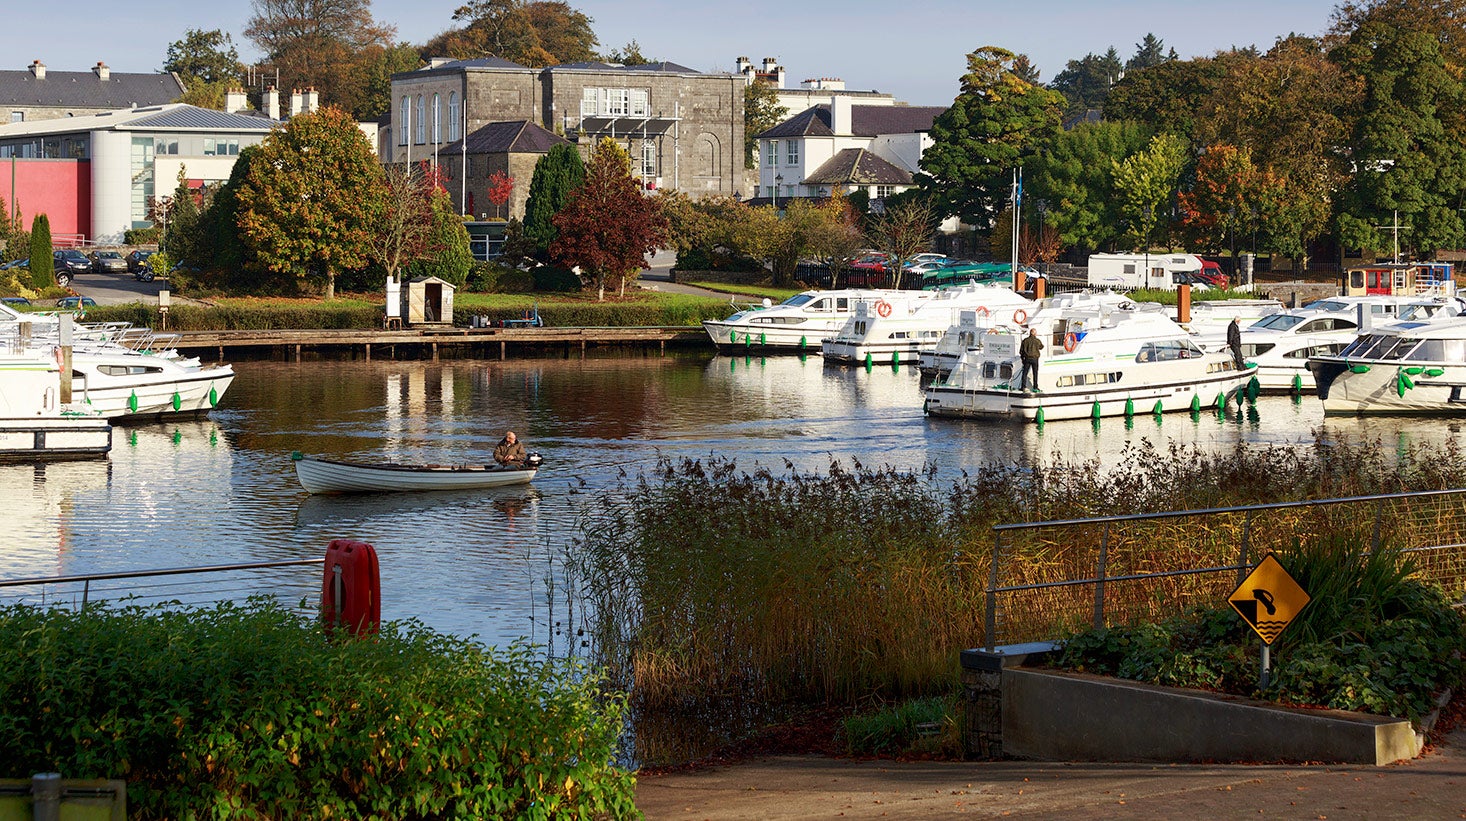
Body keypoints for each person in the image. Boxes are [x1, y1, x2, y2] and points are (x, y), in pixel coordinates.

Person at [1019, 327, 1044, 392]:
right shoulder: (1037, 341)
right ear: (1035, 333)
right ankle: (1035, 387)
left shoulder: (1025, 340)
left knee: (1025, 373)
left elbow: (1021, 351)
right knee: (1035, 373)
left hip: (1027, 359)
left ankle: (1023, 386)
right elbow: (1041, 347)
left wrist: (1022, 359)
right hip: (1035, 359)